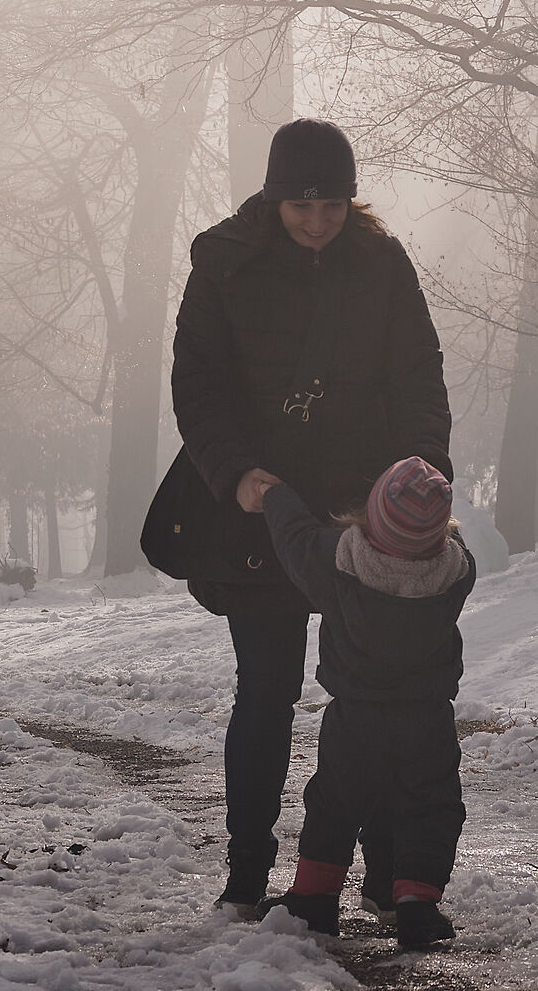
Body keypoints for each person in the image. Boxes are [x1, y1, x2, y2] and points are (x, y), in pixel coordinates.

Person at [170, 118, 452, 919]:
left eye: (332, 203)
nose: (318, 220)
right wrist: (235, 475)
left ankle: (385, 868)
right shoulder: (223, 265)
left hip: (366, 512)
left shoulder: (383, 264)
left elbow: (418, 374)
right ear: (273, 195)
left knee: (374, 696)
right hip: (259, 507)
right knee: (265, 691)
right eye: (302, 205)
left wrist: (423, 469)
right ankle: (247, 872)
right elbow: (200, 388)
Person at [249, 458, 473, 952]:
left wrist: (277, 495)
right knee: (429, 806)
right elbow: (444, 541)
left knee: (334, 804)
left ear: (370, 517)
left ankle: (315, 896)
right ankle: (416, 901)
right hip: (428, 719)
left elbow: (295, 540)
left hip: (356, 718)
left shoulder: (338, 562)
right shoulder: (456, 571)